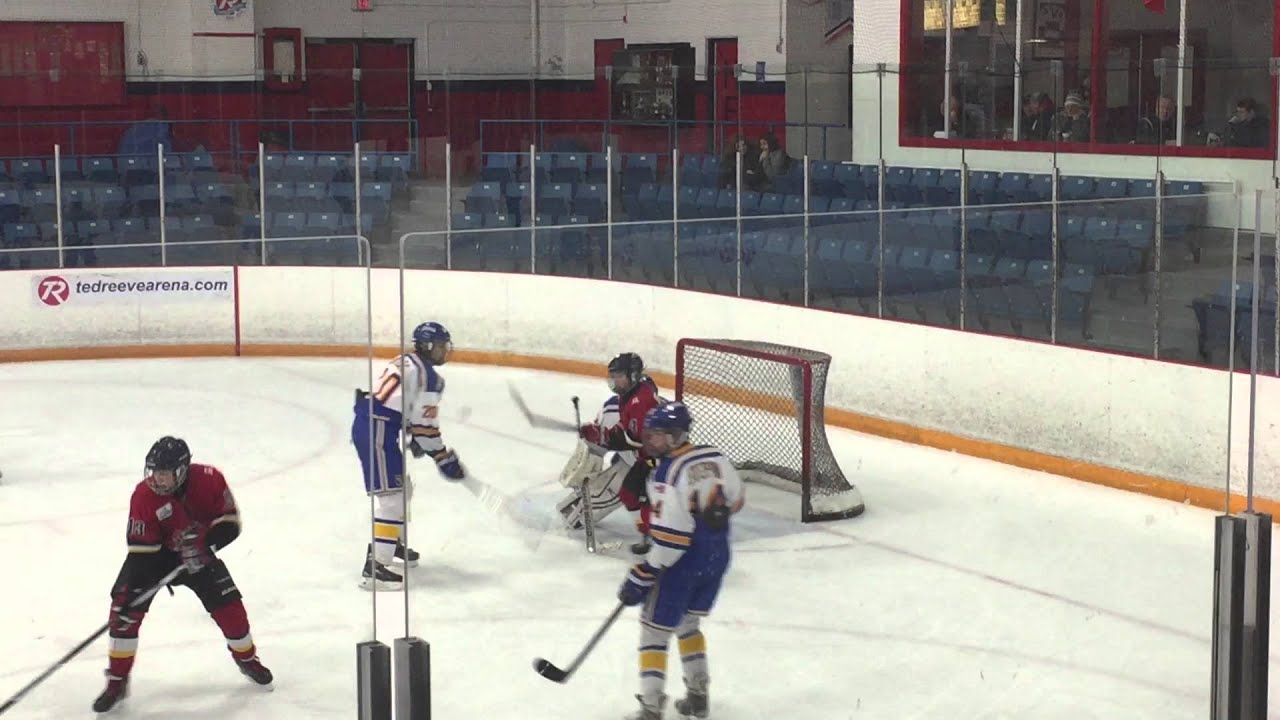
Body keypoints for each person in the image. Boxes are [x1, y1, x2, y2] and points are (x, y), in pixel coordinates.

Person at [93, 437, 273, 713]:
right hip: (155, 558)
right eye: (153, 472)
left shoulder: (210, 479)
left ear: (183, 470)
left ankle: (247, 659)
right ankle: (117, 682)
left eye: (164, 473)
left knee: (232, 610)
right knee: (123, 612)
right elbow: (141, 553)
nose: (157, 479)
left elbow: (231, 522)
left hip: (201, 553)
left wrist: (206, 547)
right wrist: (134, 597)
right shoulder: (143, 495)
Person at [615, 402, 745, 720]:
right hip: (716, 556)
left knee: (654, 631)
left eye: (657, 436)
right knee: (688, 624)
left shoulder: (667, 471)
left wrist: (642, 573)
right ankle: (698, 696)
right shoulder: (714, 455)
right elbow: (737, 498)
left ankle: (650, 707)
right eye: (649, 434)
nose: (650, 442)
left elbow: (672, 538)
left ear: (676, 436)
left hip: (682, 564)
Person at [352, 321, 464, 590]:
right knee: (392, 500)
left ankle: (391, 545)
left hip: (375, 423)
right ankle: (376, 566)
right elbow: (426, 427)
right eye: (439, 346)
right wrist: (441, 456)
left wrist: (411, 430)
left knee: (404, 490)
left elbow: (401, 403)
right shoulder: (430, 377)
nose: (443, 351)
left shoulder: (408, 361)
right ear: (426, 346)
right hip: (377, 430)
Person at [557, 353, 663, 551]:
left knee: (644, 496)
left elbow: (634, 439)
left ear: (633, 375)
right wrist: (601, 434)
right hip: (644, 456)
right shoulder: (630, 395)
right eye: (612, 376)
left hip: (657, 460)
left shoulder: (640, 401)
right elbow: (626, 432)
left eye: (619, 376)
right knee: (630, 494)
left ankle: (658, 536)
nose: (614, 381)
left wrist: (602, 436)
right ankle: (647, 534)